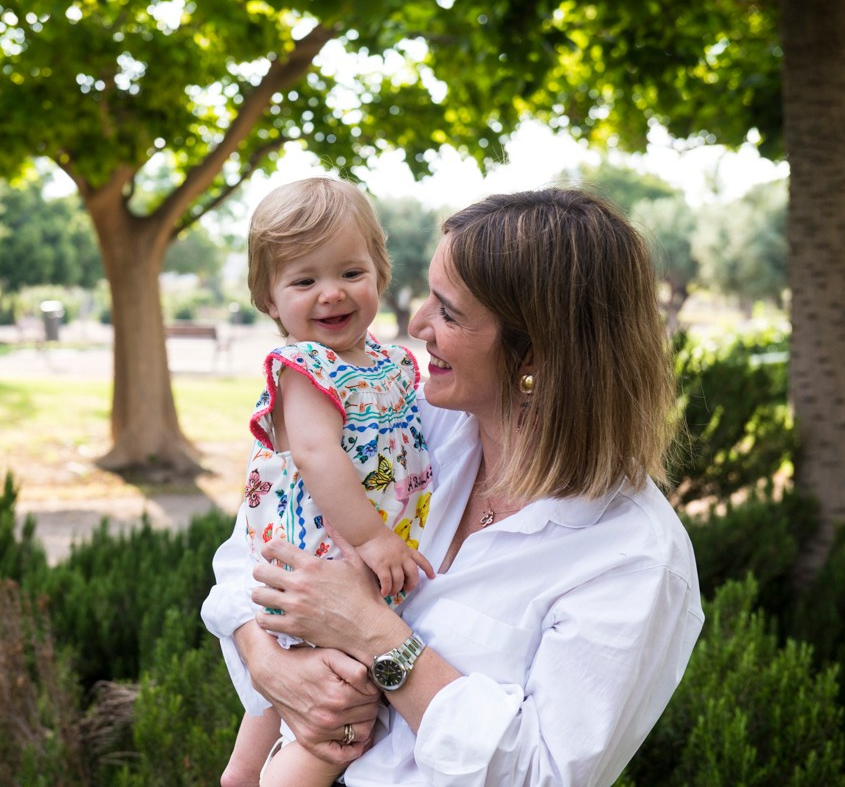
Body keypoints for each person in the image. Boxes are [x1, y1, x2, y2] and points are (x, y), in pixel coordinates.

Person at [202, 187, 705, 786]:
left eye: (448, 312)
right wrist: (264, 659)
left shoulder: (630, 559)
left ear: (534, 353)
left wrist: (378, 635)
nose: (416, 325)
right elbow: (260, 535)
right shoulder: (412, 424)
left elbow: (539, 774)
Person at [219, 176, 436, 787]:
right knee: (334, 721)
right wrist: (372, 539)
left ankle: (239, 774)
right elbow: (316, 455)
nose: (331, 294)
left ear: (381, 272)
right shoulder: (304, 368)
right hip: (321, 564)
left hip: (345, 572)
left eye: (350, 272)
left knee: (274, 710)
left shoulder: (393, 363)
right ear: (269, 299)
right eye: (304, 281)